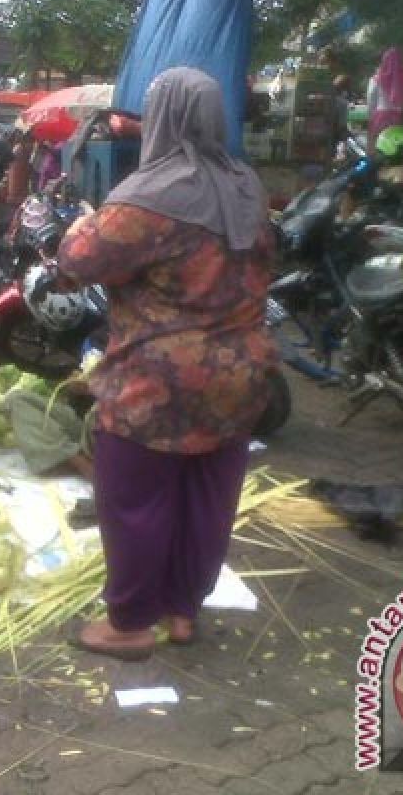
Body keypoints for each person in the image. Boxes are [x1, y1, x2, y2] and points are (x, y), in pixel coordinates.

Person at [55, 68, 277, 661]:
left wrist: (82, 221)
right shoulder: (247, 185)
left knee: (135, 502)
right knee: (206, 500)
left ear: (163, 119)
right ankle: (182, 612)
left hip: (158, 384)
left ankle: (129, 626)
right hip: (241, 377)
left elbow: (80, 259)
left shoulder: (148, 196)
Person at [367, 47, 403, 147]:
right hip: (399, 119)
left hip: (380, 119)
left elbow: (371, 102)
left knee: (379, 149)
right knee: (395, 151)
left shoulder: (376, 79)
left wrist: (370, 119)